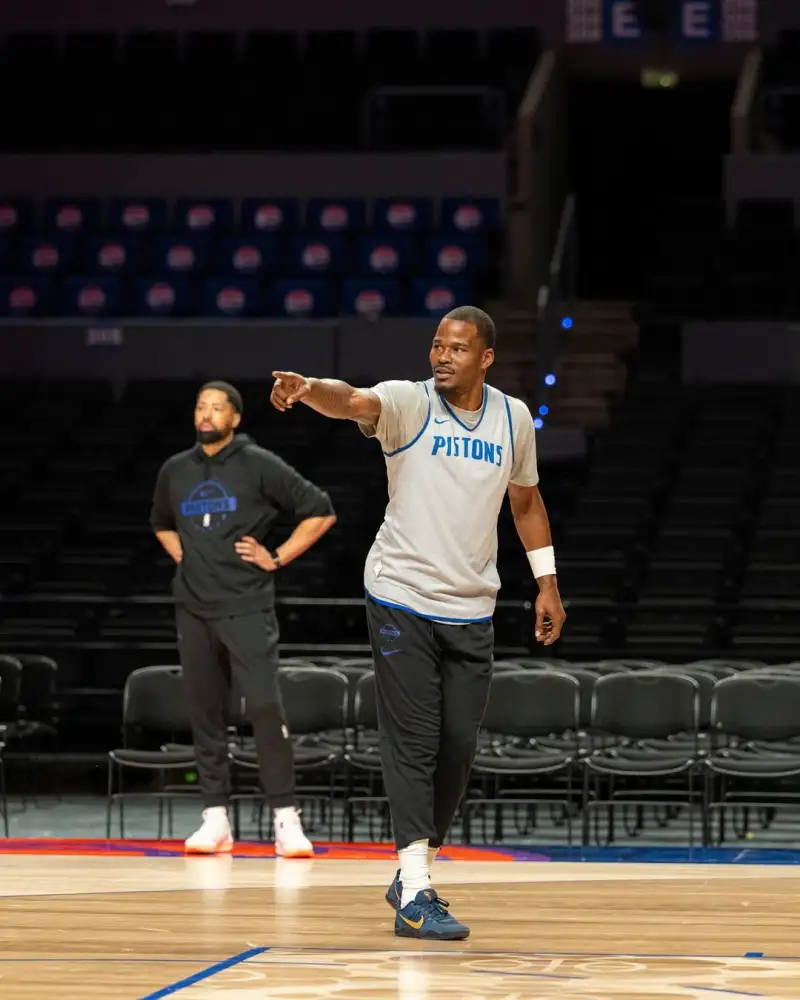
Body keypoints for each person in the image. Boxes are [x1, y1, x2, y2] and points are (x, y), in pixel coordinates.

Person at [270, 305, 566, 938]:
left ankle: (412, 877)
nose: (441, 356)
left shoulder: (513, 417)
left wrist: (547, 583)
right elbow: (351, 401)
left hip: (472, 603)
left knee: (458, 745)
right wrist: (308, 388)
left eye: (457, 349)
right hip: (400, 592)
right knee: (416, 737)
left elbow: (527, 501)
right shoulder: (409, 403)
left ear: (485, 357)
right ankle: (416, 885)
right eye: (436, 345)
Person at [150, 380, 336, 857]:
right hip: (193, 606)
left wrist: (276, 556)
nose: (207, 414)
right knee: (205, 712)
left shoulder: (258, 464)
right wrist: (185, 557)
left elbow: (319, 510)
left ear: (235, 418)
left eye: (217, 407)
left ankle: (285, 819)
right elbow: (161, 523)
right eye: (201, 406)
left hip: (247, 604)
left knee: (265, 709)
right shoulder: (176, 470)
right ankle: (215, 819)